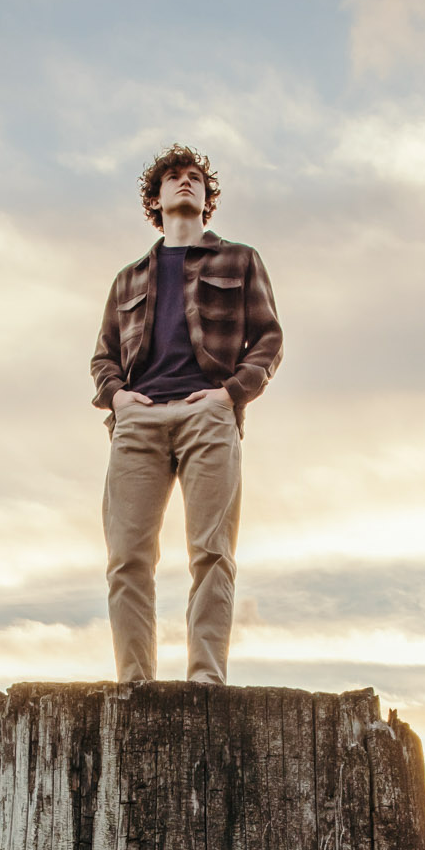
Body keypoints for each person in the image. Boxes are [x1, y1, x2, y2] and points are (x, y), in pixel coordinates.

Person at [89, 144, 282, 685]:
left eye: (195, 178)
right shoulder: (128, 278)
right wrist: (118, 398)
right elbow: (103, 354)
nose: (185, 183)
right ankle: (134, 686)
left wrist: (230, 394)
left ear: (206, 197)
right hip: (138, 421)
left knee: (212, 554)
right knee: (127, 559)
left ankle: (205, 683)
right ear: (155, 198)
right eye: (172, 177)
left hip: (209, 416)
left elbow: (269, 338)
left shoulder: (239, 260)